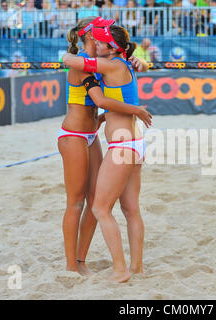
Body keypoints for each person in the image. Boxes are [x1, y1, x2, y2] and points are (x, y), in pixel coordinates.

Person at [59, 17, 152, 276]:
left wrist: (138, 60)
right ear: (89, 36)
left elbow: (102, 94)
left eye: (103, 38)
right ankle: (75, 265)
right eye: (96, 35)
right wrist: (138, 61)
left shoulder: (106, 65)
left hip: (109, 140)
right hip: (78, 134)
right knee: (80, 203)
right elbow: (97, 93)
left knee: (97, 206)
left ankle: (89, 263)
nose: (98, 40)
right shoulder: (101, 65)